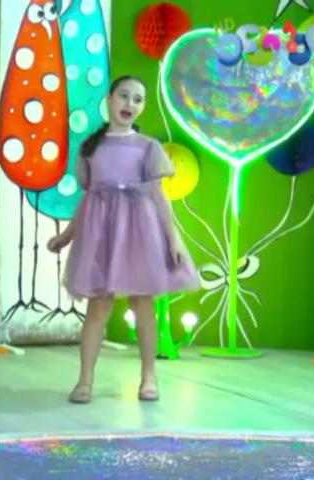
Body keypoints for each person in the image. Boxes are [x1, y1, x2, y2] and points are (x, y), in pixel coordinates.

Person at [47, 75, 200, 404]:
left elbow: (159, 196)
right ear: (110, 99)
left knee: (143, 305)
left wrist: (173, 239)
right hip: (102, 234)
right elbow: (88, 199)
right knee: (98, 306)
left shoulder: (148, 147)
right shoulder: (92, 147)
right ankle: (85, 380)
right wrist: (67, 235)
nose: (130, 103)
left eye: (138, 99)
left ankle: (149, 376)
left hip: (139, 233)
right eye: (124, 96)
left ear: (142, 106)